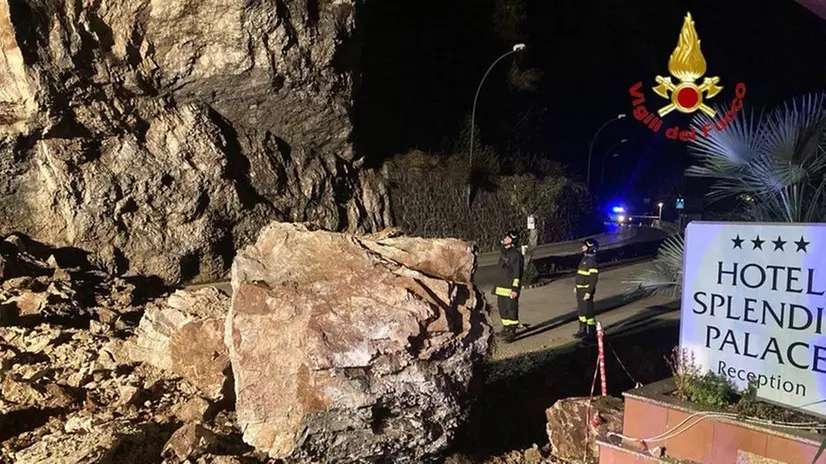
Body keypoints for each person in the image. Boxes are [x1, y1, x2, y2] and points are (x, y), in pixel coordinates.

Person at [493, 229, 524, 343]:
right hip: (501, 288)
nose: (504, 239)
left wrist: (515, 289)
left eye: (508, 238)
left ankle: (512, 332)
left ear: (513, 242)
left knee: (512, 310)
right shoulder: (504, 253)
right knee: (502, 309)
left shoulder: (516, 255)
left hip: (510, 289)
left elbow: (517, 273)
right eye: (505, 237)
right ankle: (506, 328)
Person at [573, 238, 599, 340]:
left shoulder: (592, 262)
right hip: (580, 290)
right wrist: (576, 287)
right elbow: (580, 275)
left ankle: (591, 333)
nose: (582, 247)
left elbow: (593, 279)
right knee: (581, 311)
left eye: (585, 246)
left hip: (586, 291)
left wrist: (589, 292)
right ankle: (582, 330)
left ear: (590, 248)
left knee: (588, 313)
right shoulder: (584, 259)